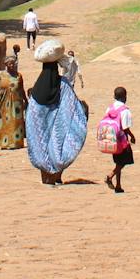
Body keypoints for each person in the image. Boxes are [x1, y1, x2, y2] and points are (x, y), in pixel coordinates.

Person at [24, 38, 88, 186]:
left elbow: (32, 116)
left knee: (41, 148)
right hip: (59, 130)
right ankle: (56, 177)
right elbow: (72, 109)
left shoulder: (36, 90)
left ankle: (45, 178)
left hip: (39, 131)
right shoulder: (63, 85)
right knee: (58, 146)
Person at [102, 86, 136, 194]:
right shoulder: (125, 110)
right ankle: (110, 175)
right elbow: (125, 127)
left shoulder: (110, 108)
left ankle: (118, 185)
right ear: (125, 97)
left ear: (114, 96)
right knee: (125, 161)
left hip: (111, 139)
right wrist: (132, 136)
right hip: (122, 141)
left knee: (118, 162)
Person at [0, 55, 27, 150]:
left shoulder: (19, 75)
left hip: (16, 102)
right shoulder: (0, 74)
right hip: (3, 101)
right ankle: (3, 143)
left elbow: (21, 89)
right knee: (3, 121)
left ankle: (15, 143)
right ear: (6, 64)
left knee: (15, 122)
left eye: (13, 63)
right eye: (10, 63)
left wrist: (25, 100)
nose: (12, 65)